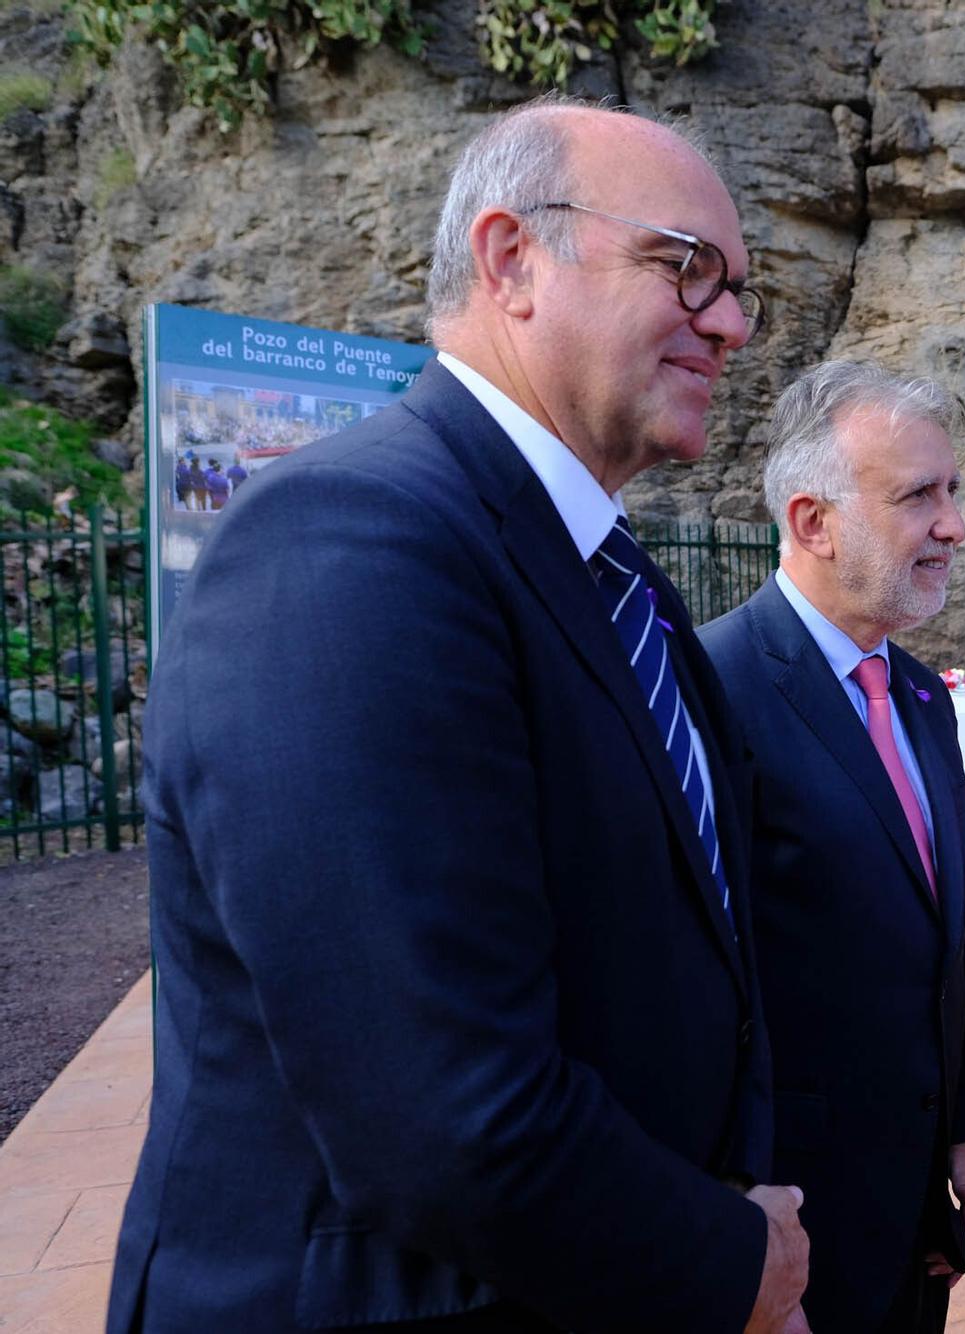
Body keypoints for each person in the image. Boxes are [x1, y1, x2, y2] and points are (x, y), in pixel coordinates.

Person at [109, 98, 809, 1332]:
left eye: (743, 288)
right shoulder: (347, 544)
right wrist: (730, 1261)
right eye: (686, 267)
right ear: (510, 258)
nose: (734, 323)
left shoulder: (610, 577)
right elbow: (435, 1109)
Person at [699, 361, 965, 1331]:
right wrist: (732, 1204)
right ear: (812, 520)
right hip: (782, 1212)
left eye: (951, 490)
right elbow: (696, 980)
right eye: (919, 494)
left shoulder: (920, 697)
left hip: (913, 1202)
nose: (953, 524)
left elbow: (938, 927)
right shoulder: (712, 687)